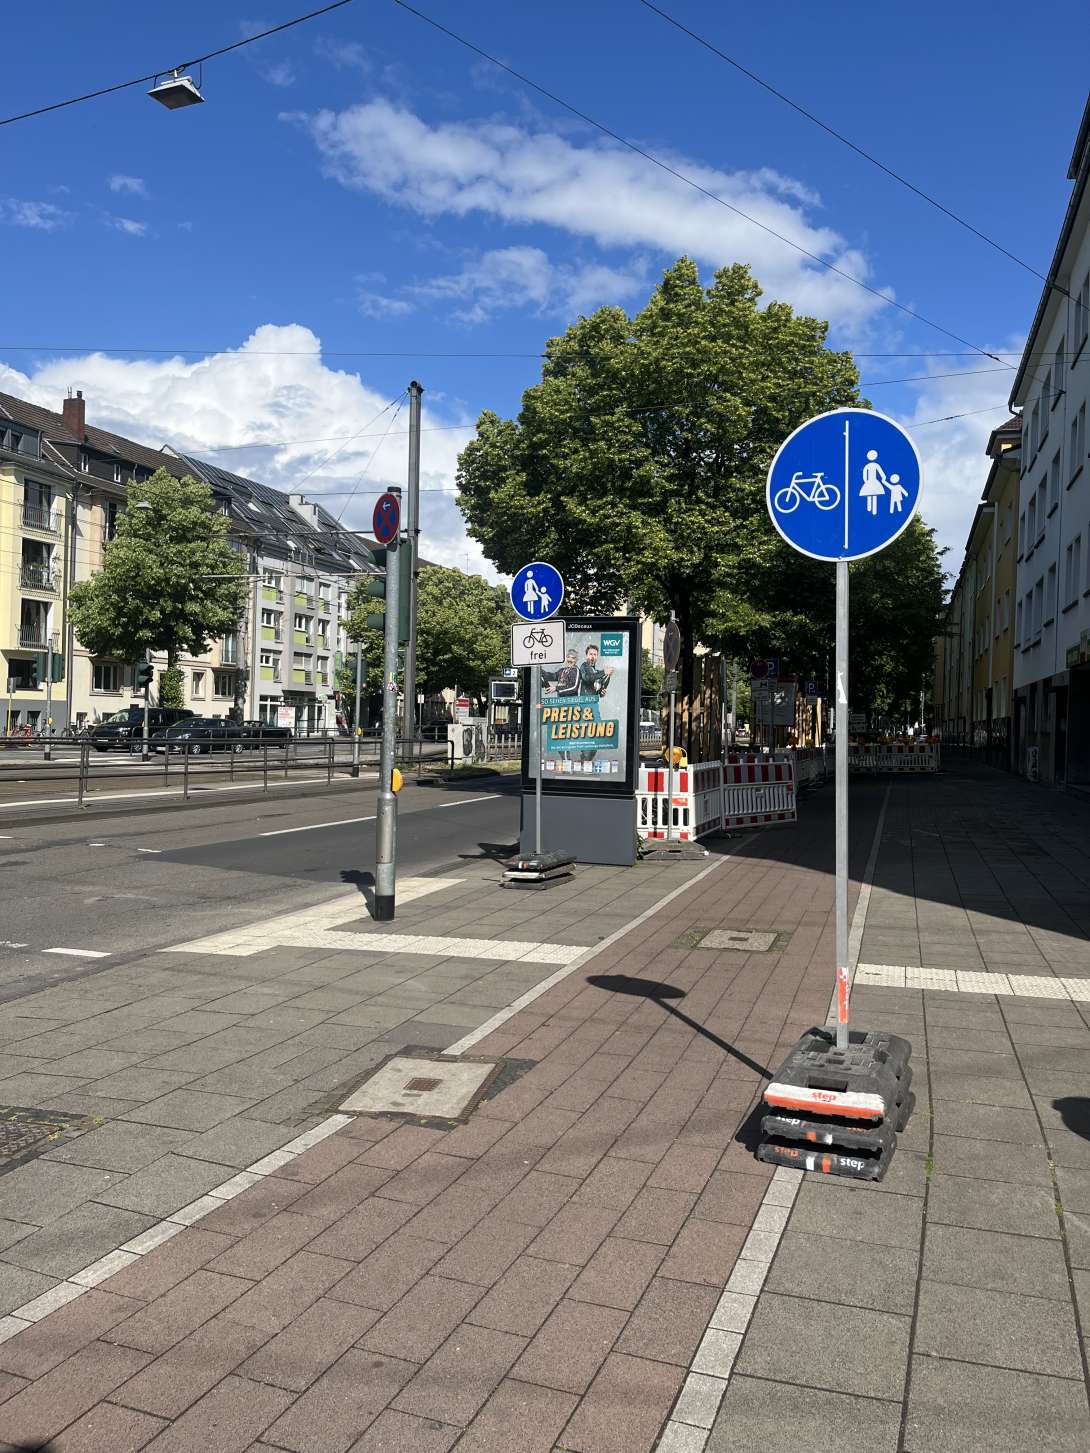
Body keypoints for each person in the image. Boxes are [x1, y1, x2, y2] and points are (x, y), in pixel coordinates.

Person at [860, 449, 888, 516]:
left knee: (871, 494)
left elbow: (864, 474)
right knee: (872, 494)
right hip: (872, 481)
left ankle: (871, 510)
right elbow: (881, 473)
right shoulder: (874, 465)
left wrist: (865, 481)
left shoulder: (869, 465)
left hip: (871, 481)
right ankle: (871, 510)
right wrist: (883, 477)